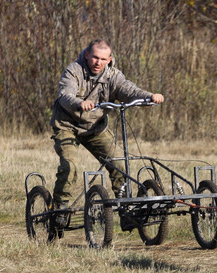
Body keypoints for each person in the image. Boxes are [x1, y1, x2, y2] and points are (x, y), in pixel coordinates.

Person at [49, 38, 164, 224]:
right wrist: (79, 103)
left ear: (109, 59)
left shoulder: (113, 75)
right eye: (95, 57)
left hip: (95, 128)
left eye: (103, 59)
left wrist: (149, 96)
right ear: (87, 55)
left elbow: (129, 90)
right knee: (70, 167)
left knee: (119, 165)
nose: (98, 63)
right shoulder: (74, 70)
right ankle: (60, 209)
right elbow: (65, 95)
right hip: (67, 126)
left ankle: (125, 210)